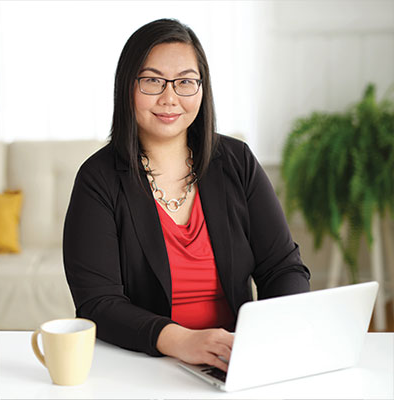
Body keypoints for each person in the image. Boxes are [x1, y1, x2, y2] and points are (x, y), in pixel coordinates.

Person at [63, 18, 310, 373]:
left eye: (185, 82)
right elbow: (98, 302)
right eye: (151, 81)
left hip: (235, 359)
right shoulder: (97, 179)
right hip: (145, 362)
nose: (169, 97)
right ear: (126, 87)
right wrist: (182, 341)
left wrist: (277, 336)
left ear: (201, 89)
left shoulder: (236, 162)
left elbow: (282, 267)